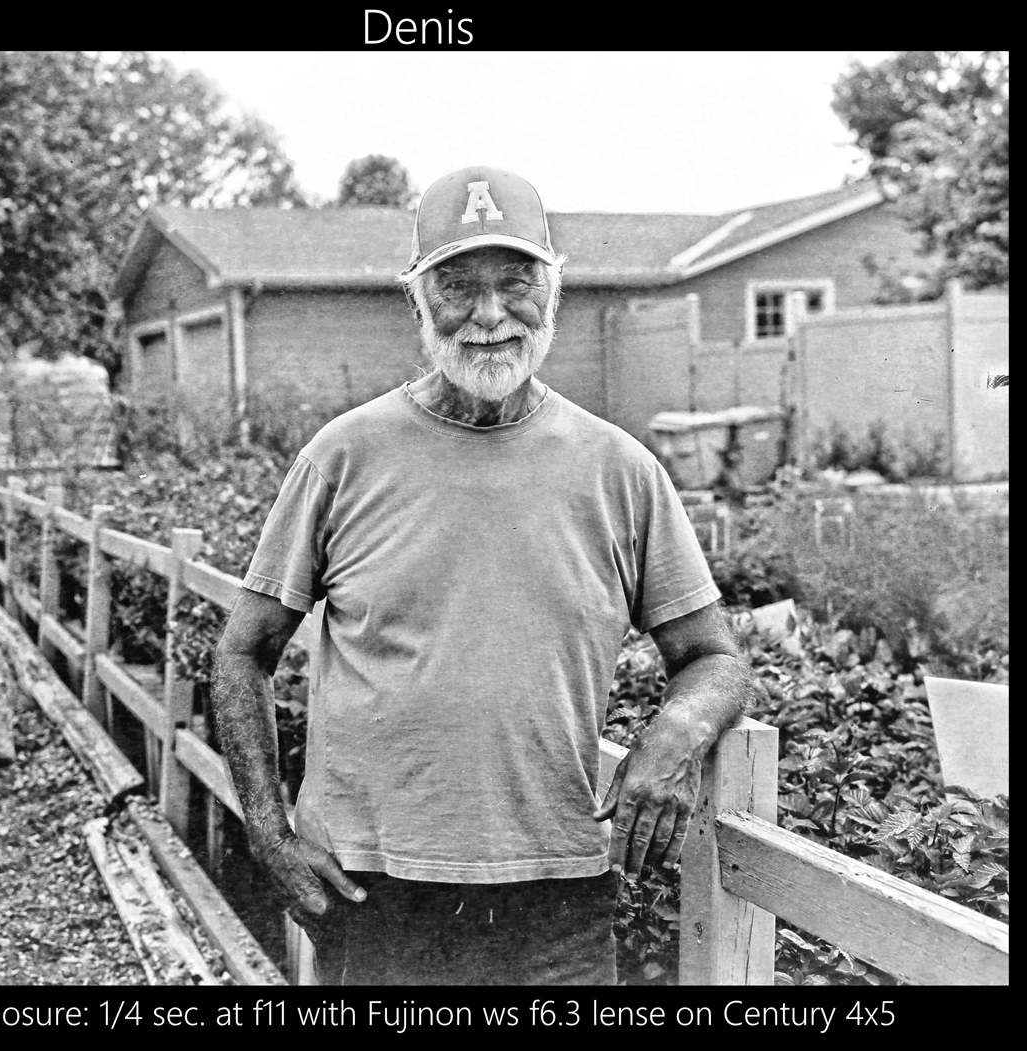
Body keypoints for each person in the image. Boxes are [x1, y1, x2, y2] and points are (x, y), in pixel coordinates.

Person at [212, 165, 756, 985]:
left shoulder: (622, 470)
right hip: (375, 888)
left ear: (554, 290)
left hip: (558, 898)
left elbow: (714, 655)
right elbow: (242, 652)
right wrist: (267, 831)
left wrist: (674, 736)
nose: (490, 313)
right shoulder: (343, 456)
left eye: (516, 282)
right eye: (457, 285)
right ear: (417, 301)